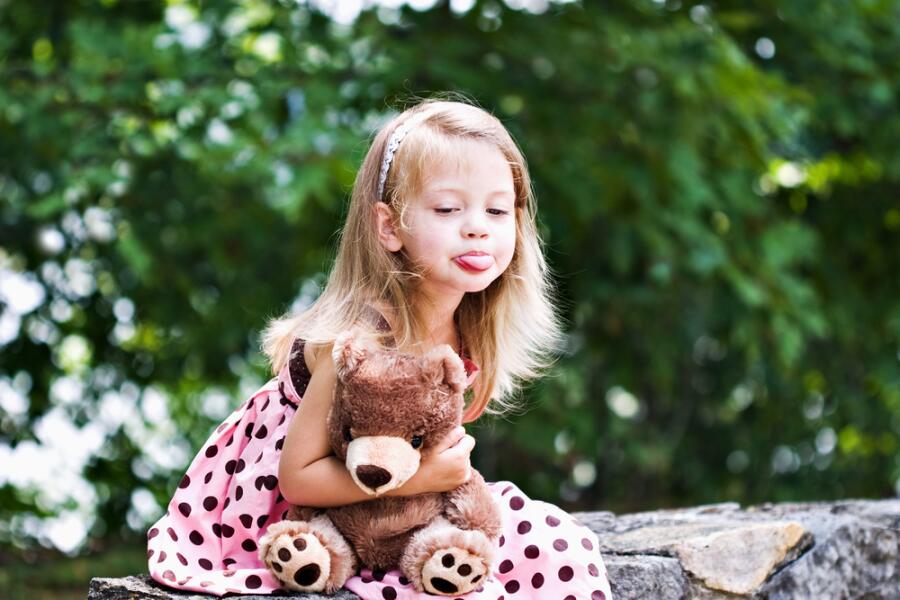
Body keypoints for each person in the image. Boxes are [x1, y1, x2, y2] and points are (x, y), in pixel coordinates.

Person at [147, 97, 613, 599]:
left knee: (558, 544)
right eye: (448, 209)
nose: (477, 226)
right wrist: (424, 478)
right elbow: (297, 480)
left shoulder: (468, 328)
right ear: (389, 226)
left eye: (497, 210)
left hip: (396, 509)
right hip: (293, 515)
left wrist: (435, 484)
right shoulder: (358, 337)